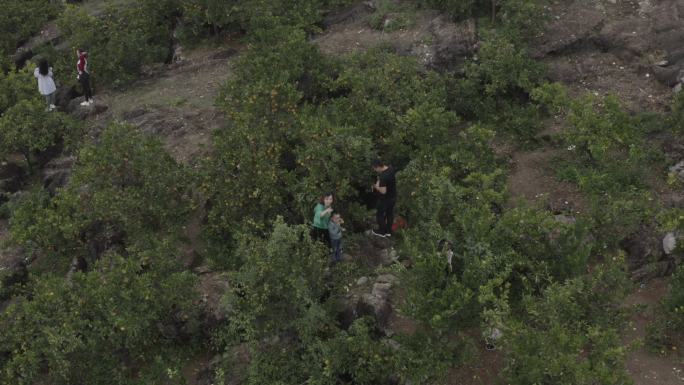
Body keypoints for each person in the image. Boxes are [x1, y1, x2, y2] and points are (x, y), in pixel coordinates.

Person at [371, 159, 396, 238]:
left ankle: (382, 232)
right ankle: (388, 231)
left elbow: (383, 191)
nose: (374, 170)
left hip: (385, 199)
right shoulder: (390, 168)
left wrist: (375, 187)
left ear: (378, 167)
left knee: (379, 214)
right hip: (393, 196)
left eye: (374, 168)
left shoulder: (383, 177)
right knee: (389, 213)